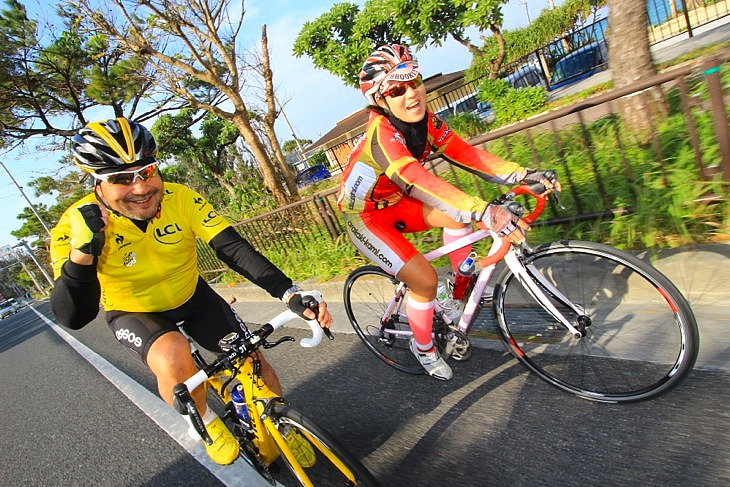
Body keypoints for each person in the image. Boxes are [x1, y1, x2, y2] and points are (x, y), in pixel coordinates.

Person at [50, 117, 334, 465]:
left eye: (147, 171)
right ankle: (208, 421)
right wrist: (83, 253)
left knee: (253, 361)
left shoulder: (179, 197)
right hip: (135, 310)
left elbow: (233, 249)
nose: (140, 189)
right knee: (173, 358)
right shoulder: (73, 224)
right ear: (98, 185)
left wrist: (289, 292)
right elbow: (74, 316)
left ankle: (282, 427)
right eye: (122, 179)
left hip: (193, 295)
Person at [336, 44, 558, 381]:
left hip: (397, 203)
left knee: (458, 218)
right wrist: (486, 211)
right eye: (398, 89)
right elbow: (417, 180)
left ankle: (456, 296)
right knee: (424, 282)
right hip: (366, 218)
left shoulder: (427, 122)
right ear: (381, 101)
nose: (412, 95)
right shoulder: (381, 136)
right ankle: (422, 349)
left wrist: (523, 175)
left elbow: (468, 155)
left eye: (415, 82)